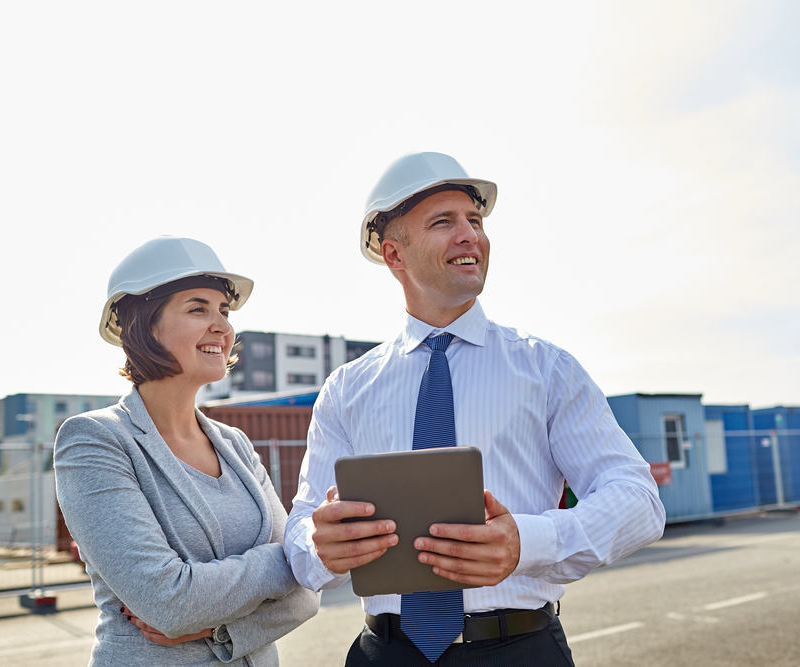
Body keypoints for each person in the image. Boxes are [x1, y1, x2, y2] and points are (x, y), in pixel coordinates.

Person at [284, 152, 666, 666]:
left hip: (520, 650)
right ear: (395, 255)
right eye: (444, 222)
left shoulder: (547, 369)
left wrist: (528, 541)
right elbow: (305, 524)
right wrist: (320, 546)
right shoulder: (346, 389)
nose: (471, 235)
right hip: (385, 654)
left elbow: (639, 500)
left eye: (475, 221)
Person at [55, 236, 320, 666]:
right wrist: (289, 556)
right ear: (142, 326)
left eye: (224, 311)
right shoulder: (95, 441)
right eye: (198, 309)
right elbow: (168, 603)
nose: (223, 327)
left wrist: (221, 629)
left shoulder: (235, 444)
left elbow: (307, 596)